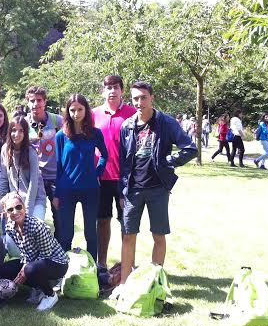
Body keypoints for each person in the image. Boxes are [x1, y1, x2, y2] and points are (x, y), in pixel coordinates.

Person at [115, 81, 197, 293]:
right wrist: (122, 190)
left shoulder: (166, 123)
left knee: (158, 235)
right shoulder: (127, 126)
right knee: (128, 235)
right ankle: (124, 284)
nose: (139, 102)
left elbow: (190, 148)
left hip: (158, 188)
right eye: (135, 98)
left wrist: (169, 161)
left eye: (143, 97)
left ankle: (155, 282)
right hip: (133, 189)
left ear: (152, 97)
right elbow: (124, 163)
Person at [53, 94, 108, 262]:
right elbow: (58, 166)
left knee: (90, 232)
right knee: (66, 233)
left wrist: (97, 172)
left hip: (90, 189)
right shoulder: (61, 136)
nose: (76, 113)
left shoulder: (95, 133)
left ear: (86, 110)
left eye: (80, 109)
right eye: (72, 110)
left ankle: (92, 270)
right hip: (66, 190)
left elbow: (105, 155)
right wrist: (56, 193)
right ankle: (63, 270)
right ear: (67, 112)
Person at [92, 75, 136, 268]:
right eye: (108, 87)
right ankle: (101, 264)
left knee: (126, 224)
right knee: (102, 221)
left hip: (125, 178)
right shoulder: (93, 114)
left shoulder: (132, 113)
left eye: (115, 87)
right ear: (103, 90)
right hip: (100, 178)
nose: (112, 90)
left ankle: (127, 264)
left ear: (122, 90)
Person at [0, 193, 69, 312]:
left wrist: (25, 269)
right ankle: (38, 288)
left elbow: (45, 254)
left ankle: (50, 295)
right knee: (6, 269)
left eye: (18, 207)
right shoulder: (9, 228)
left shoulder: (36, 226)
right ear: (6, 214)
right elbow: (25, 251)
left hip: (57, 263)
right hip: (37, 262)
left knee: (29, 269)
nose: (15, 212)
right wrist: (24, 267)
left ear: (24, 207)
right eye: (10, 209)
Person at [25, 85, 63, 235]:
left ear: (45, 101)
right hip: (34, 178)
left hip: (54, 177)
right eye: (32, 100)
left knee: (60, 219)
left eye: (39, 100)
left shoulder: (57, 120)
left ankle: (62, 252)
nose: (36, 104)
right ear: (27, 102)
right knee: (33, 218)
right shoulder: (22, 123)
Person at [0, 116, 46, 220]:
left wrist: (27, 211)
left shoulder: (31, 152)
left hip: (35, 199)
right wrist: (1, 205)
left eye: (21, 131)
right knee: (11, 234)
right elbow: (4, 179)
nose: (17, 134)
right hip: (14, 201)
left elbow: (34, 183)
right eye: (14, 130)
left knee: (33, 229)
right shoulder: (5, 150)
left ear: (25, 133)